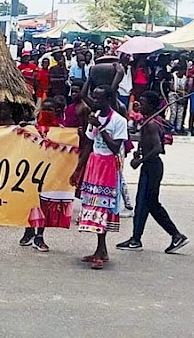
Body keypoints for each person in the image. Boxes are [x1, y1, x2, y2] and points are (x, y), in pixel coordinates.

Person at [116, 91, 189, 253]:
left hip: (152, 166)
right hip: (150, 166)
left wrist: (139, 161)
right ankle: (136, 238)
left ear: (151, 105)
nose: (139, 105)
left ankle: (175, 235)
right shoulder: (148, 121)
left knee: (149, 203)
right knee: (143, 204)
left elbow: (157, 148)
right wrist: (139, 151)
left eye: (142, 103)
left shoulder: (151, 124)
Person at [74, 85, 128, 270]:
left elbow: (115, 147)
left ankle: (100, 250)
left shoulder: (119, 121)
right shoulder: (94, 117)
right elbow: (89, 144)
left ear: (109, 100)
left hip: (109, 166)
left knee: (104, 208)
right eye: (94, 98)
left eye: (98, 99)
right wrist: (78, 169)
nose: (95, 102)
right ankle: (100, 249)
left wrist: (101, 127)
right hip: (94, 165)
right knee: (93, 207)